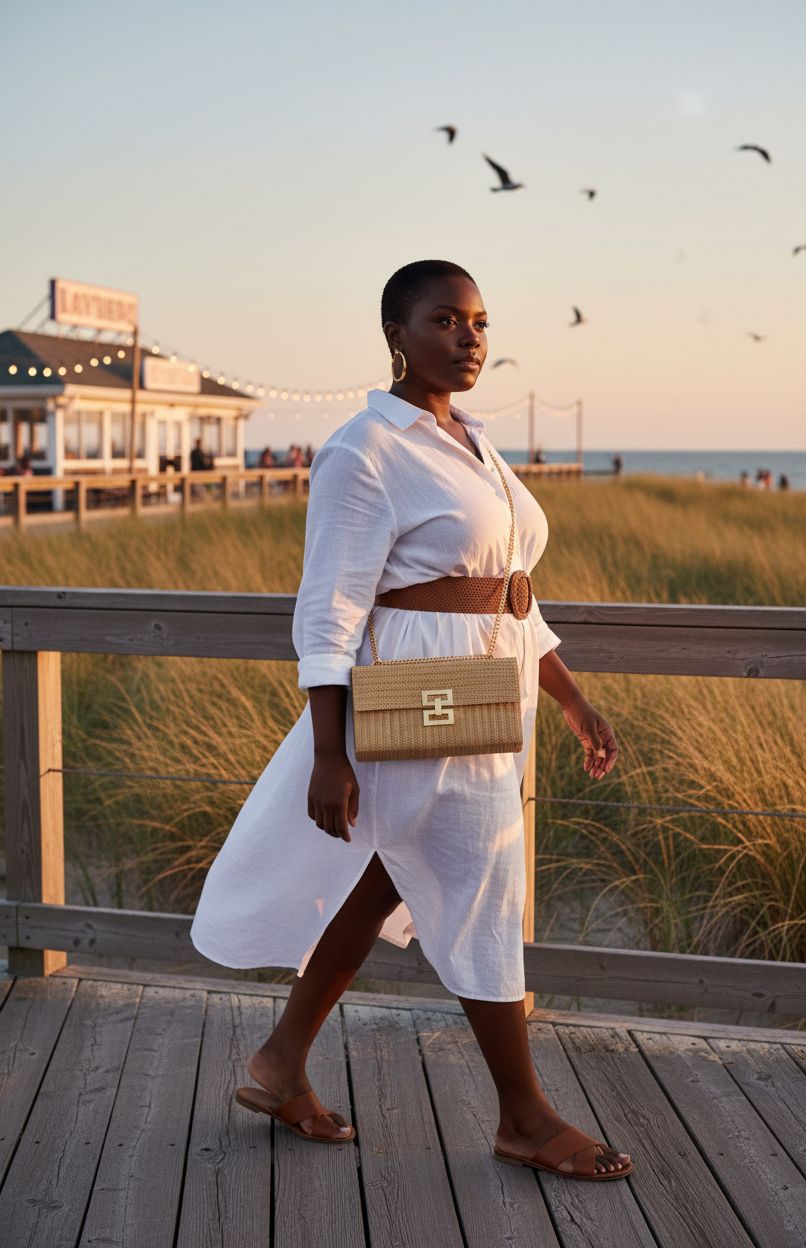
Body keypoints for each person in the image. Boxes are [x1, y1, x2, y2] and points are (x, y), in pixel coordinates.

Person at [190, 259, 632, 1180]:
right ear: (398, 333)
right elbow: (328, 610)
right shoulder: (367, 447)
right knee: (481, 884)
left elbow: (506, 593)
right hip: (422, 696)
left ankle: (278, 1064)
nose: (471, 337)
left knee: (389, 875)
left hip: (486, 697)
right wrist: (327, 755)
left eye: (479, 321)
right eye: (447, 319)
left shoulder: (471, 440)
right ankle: (524, 1115)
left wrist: (571, 694)